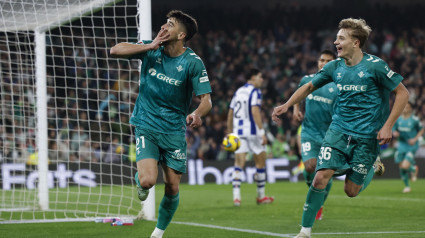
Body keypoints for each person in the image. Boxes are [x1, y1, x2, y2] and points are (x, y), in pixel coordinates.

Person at [271, 18, 409, 238]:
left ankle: (372, 165)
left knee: (351, 191)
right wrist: (287, 105)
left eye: (341, 38)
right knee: (319, 177)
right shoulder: (334, 67)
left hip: (367, 137)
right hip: (337, 131)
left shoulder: (376, 66)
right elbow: (308, 86)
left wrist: (388, 125)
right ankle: (305, 231)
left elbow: (403, 93)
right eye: (336, 38)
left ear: (355, 43)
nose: (335, 42)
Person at [110, 10, 212, 238]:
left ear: (181, 35)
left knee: (172, 187)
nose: (164, 27)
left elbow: (206, 100)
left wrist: (196, 113)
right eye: (165, 23)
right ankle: (141, 181)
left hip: (174, 129)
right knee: (147, 181)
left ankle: (157, 233)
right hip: (146, 123)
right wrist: (149, 46)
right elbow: (115, 50)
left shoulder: (192, 63)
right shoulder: (150, 48)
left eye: (171, 25)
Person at [292, 49, 337, 220]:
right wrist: (296, 108)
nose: (323, 63)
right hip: (309, 133)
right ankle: (316, 198)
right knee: (310, 167)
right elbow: (298, 94)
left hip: (329, 136)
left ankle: (318, 204)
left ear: (333, 64)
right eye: (321, 60)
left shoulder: (338, 86)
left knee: (324, 172)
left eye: (327, 61)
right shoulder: (308, 80)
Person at [226, 68, 274, 206]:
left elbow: (230, 113)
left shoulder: (238, 92)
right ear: (252, 78)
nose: (262, 80)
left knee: (238, 164)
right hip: (252, 132)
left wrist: (230, 133)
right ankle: (261, 196)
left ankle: (236, 198)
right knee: (260, 162)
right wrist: (262, 132)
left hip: (238, 132)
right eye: (260, 77)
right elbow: (254, 111)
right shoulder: (255, 91)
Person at [392, 102, 424, 193]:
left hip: (411, 145)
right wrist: (394, 132)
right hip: (401, 145)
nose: (405, 108)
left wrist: (415, 139)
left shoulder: (414, 119)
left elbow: (421, 129)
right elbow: (393, 128)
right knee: (401, 166)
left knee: (405, 165)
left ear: (410, 108)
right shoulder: (398, 119)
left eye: (408, 107)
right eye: (404, 106)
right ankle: (407, 186)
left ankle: (413, 169)